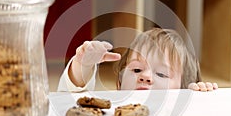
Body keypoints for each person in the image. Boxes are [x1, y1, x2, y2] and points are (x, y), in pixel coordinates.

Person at [58, 28, 218, 92]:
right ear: (119, 82)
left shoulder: (181, 111)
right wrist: (82, 66)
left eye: (162, 74)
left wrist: (198, 98)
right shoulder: (113, 111)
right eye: (136, 70)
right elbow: (70, 101)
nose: (145, 76)